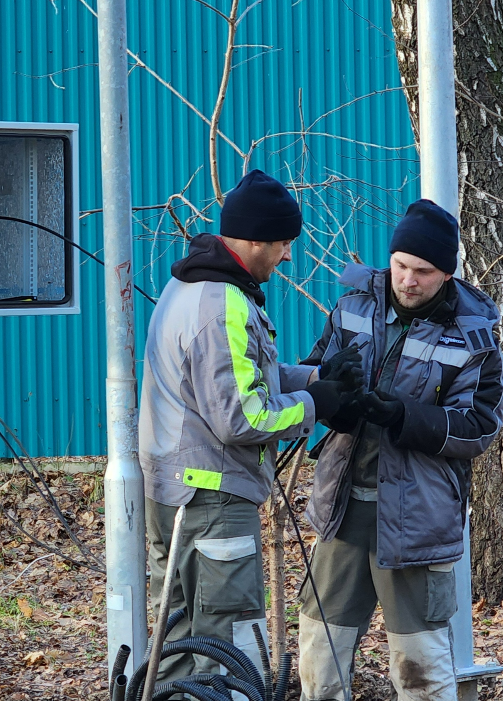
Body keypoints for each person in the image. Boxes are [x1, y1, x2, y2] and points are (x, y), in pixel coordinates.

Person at [139, 169, 362, 683]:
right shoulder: (222, 306)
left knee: (178, 637)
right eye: (284, 243)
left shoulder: (191, 286)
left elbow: (241, 379)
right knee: (227, 641)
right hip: (210, 500)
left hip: (177, 492)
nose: (288, 256)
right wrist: (315, 403)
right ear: (256, 239)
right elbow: (242, 417)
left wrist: (317, 376)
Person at [296, 199, 503, 701]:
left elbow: (480, 427)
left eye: (423, 271)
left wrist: (402, 416)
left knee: (421, 668)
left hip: (417, 520)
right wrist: (333, 398)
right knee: (318, 659)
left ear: (447, 274)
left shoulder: (474, 337)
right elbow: (312, 375)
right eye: (400, 266)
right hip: (341, 511)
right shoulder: (351, 307)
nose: (408, 281)